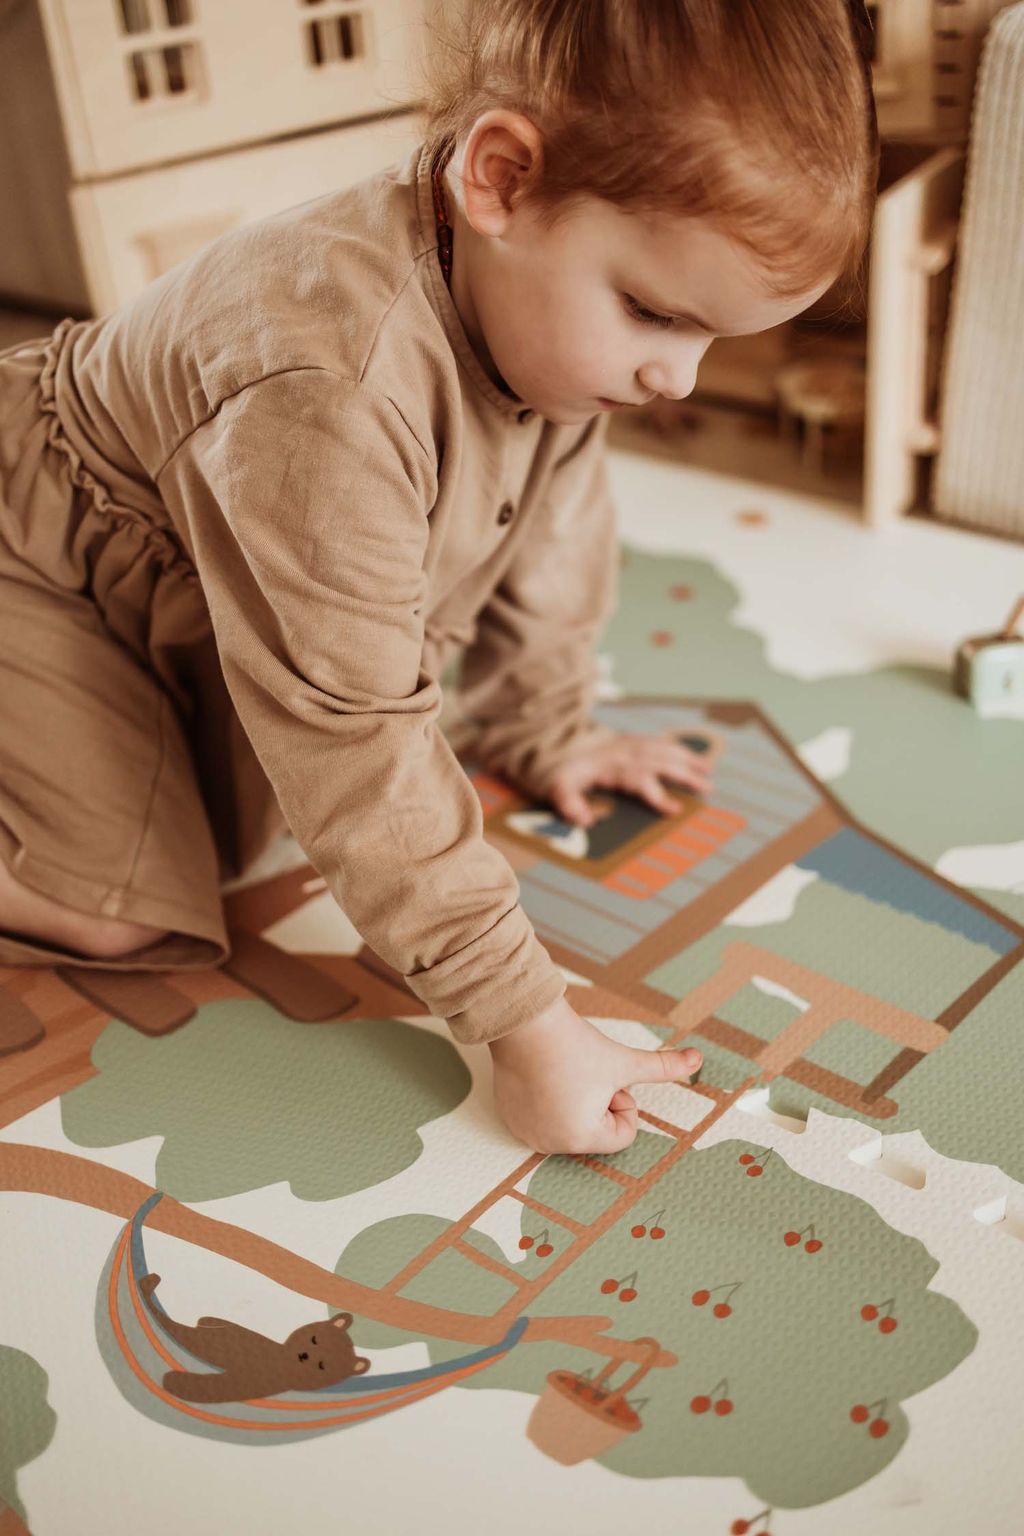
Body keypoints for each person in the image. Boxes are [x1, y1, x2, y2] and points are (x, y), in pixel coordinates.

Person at [0, 0, 878, 1154]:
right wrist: (526, 1024)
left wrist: (545, 728)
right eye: (656, 314)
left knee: (231, 839)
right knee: (122, 911)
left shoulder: (547, 321)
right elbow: (352, 731)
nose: (676, 376)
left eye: (714, 337)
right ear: (502, 179)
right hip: (35, 563)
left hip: (182, 589)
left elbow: (553, 542)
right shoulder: (327, 387)